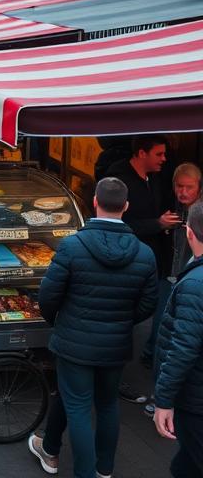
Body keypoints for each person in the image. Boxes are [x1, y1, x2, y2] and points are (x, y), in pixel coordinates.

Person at [29, 177, 158, 478]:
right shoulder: (144, 253)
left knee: (77, 407)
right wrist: (121, 321)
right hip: (115, 345)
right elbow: (148, 303)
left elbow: (48, 296)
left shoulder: (73, 246)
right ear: (126, 206)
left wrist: (61, 322)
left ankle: (83, 472)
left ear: (96, 203)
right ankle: (104, 470)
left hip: (74, 342)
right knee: (108, 405)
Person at [106, 135, 180, 392]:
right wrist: (157, 224)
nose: (164, 159)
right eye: (158, 154)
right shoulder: (119, 181)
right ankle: (113, 375)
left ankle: (145, 356)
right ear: (141, 153)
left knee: (150, 311)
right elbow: (119, 225)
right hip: (128, 263)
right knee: (123, 319)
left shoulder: (156, 178)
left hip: (154, 260)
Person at [145, 163, 202, 416]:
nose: (183, 191)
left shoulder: (199, 214)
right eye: (179, 186)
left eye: (189, 187)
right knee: (162, 333)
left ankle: (163, 397)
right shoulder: (169, 206)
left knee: (179, 341)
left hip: (188, 282)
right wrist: (159, 224)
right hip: (168, 278)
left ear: (199, 187)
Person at [153, 201, 203, 478]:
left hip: (195, 399)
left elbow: (183, 349)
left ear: (189, 233)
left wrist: (164, 400)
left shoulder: (195, 284)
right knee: (184, 466)